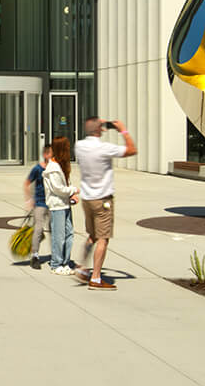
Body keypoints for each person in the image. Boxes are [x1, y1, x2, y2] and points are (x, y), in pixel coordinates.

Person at [73, 117, 135, 290]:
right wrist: (122, 129)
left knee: (92, 235)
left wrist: (98, 125)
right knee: (103, 238)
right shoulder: (104, 148)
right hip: (103, 199)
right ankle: (96, 278)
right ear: (100, 130)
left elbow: (93, 130)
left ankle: (82, 267)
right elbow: (132, 149)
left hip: (87, 198)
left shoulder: (79, 146)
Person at [43, 135, 77, 274]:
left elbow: (65, 185)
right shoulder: (53, 168)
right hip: (57, 206)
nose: (69, 148)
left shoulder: (61, 165)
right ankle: (56, 264)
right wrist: (74, 190)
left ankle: (65, 262)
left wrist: (71, 193)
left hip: (65, 204)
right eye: (67, 145)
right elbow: (58, 189)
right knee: (59, 236)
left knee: (69, 233)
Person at [23, 143, 51, 269]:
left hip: (53, 203)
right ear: (45, 154)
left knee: (55, 230)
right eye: (50, 153)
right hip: (40, 203)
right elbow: (27, 183)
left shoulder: (56, 168)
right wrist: (29, 199)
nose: (53, 156)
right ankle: (35, 255)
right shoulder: (38, 169)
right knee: (39, 228)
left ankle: (56, 255)